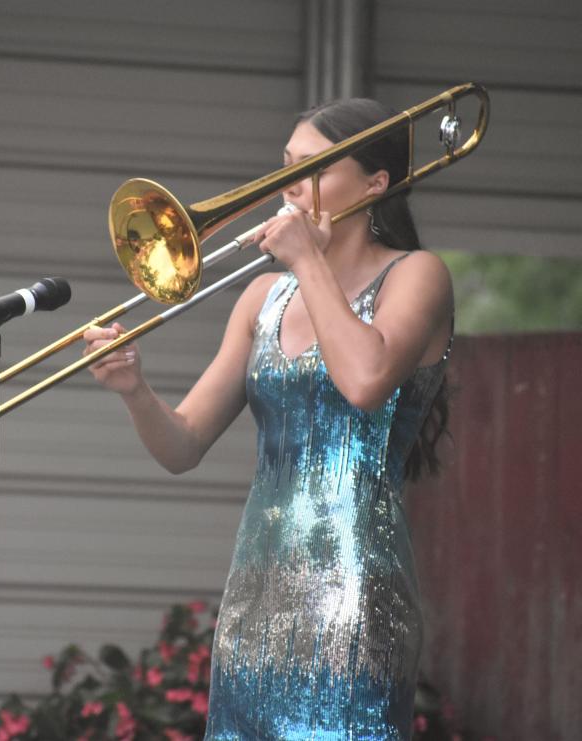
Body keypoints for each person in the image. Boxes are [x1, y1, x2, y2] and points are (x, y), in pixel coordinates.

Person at [83, 97, 454, 739]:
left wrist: (309, 260)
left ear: (375, 184)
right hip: (255, 599)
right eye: (286, 165)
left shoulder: (416, 276)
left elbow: (365, 381)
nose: (289, 185)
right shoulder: (261, 296)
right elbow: (183, 445)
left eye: (314, 168)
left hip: (354, 595)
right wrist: (134, 389)